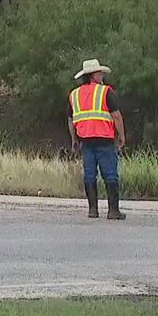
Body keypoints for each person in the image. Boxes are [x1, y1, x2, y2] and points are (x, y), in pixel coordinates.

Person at [68, 59, 127, 220]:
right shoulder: (105, 92)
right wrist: (121, 136)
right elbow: (116, 115)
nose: (102, 75)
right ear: (93, 76)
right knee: (110, 175)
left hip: (85, 141)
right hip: (104, 140)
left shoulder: (74, 94)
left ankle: (92, 210)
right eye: (99, 72)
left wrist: (74, 140)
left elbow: (71, 119)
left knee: (89, 175)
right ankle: (113, 211)